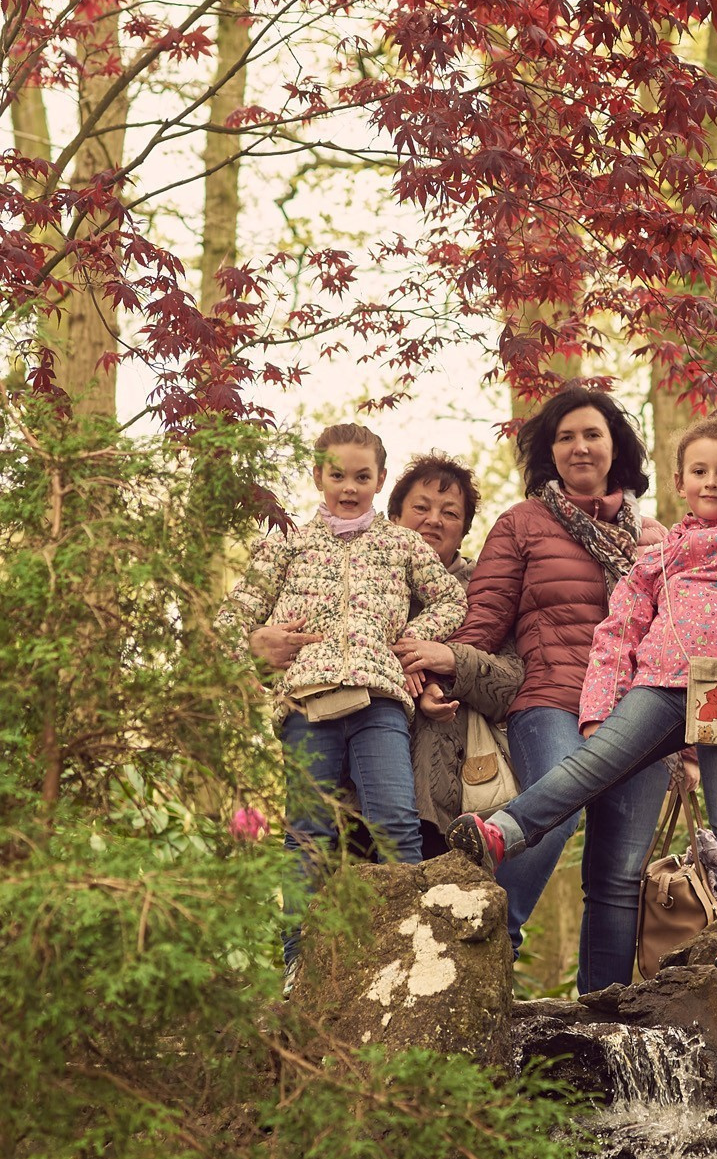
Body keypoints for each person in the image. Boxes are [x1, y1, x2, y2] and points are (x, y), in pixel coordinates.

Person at [449, 418, 717, 978]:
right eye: (700, 472)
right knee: (590, 765)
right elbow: (618, 631)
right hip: (658, 686)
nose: (712, 483)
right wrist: (600, 708)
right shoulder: (660, 554)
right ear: (680, 480)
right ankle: (506, 830)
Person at [405, 383, 669, 991]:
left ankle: (602, 1016)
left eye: (592, 434)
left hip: (646, 713)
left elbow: (675, 637)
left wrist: (684, 746)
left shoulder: (655, 539)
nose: (580, 446)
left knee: (620, 875)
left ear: (615, 447)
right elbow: (486, 618)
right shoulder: (523, 523)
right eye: (566, 436)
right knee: (556, 810)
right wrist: (444, 674)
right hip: (553, 700)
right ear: (550, 452)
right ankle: (489, 940)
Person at [216, 424, 466, 976]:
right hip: (307, 703)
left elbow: (452, 597)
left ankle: (408, 955)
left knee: (395, 821)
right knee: (308, 833)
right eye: (337, 475)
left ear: (379, 480)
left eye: (362, 476)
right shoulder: (287, 542)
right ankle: (296, 967)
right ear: (317, 476)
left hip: (377, 700)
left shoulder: (400, 543)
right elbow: (231, 621)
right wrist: (257, 648)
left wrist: (412, 644)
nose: (348, 487)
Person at [385, 454, 524, 858]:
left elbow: (512, 682)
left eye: (450, 513)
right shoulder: (357, 580)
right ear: (393, 518)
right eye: (421, 507)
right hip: (353, 791)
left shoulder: (486, 590)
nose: (434, 520)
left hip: (448, 793)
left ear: (462, 530)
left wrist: (451, 661)